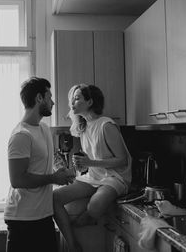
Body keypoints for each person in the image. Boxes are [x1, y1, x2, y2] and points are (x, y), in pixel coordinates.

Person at [53, 84, 132, 252]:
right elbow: (91, 161)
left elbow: (122, 160)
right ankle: (72, 244)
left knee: (95, 205)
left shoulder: (106, 125)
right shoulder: (83, 127)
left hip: (115, 178)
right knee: (54, 198)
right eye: (72, 99)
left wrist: (90, 163)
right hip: (94, 176)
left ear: (89, 102)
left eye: (77, 98)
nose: (72, 103)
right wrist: (80, 166)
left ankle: (86, 218)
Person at [4, 77, 75, 252]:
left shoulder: (43, 128)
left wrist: (61, 172)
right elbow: (17, 180)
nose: (53, 102)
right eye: (49, 96)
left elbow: (43, 162)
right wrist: (53, 178)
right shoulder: (21, 135)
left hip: (43, 215)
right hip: (23, 220)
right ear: (39, 98)